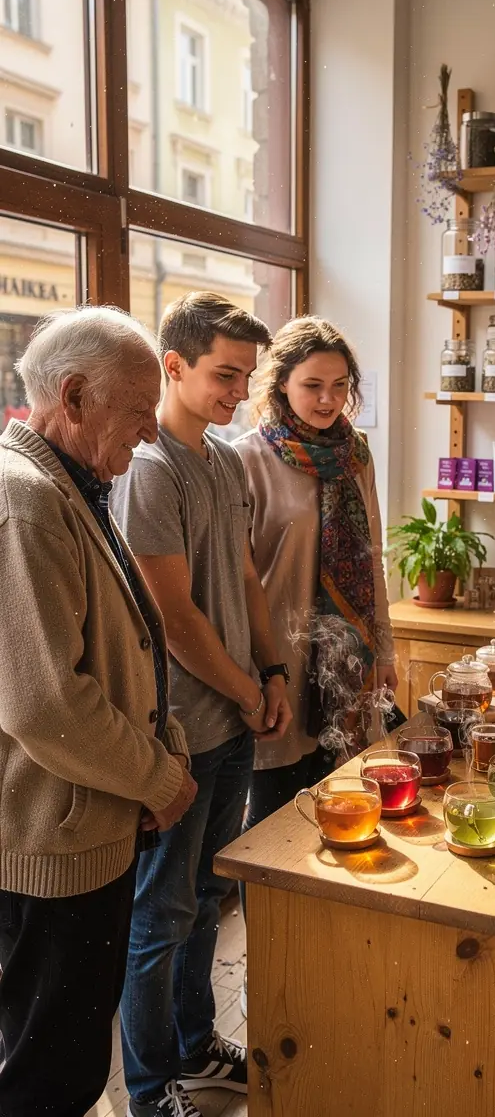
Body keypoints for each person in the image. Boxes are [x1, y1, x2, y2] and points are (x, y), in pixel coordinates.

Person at [0, 308, 197, 1117]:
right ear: (73, 396)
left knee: (73, 1059)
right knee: (47, 1076)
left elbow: (127, 649)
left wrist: (166, 755)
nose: (151, 434)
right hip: (53, 849)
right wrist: (160, 779)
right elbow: (47, 704)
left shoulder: (74, 483)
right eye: (139, 411)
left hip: (90, 831)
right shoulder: (26, 500)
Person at [111, 292, 293, 1117]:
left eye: (246, 377)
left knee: (204, 906)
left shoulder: (222, 461)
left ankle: (192, 1045)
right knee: (158, 919)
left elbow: (247, 580)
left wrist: (275, 670)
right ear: (172, 367)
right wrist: (250, 690)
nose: (237, 392)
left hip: (234, 723)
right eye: (225, 375)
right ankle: (151, 1092)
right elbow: (173, 618)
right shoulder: (150, 468)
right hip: (180, 732)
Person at [234, 315, 396, 867]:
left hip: (346, 665)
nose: (329, 399)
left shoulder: (357, 456)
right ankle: (274, 955)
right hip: (277, 662)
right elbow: (240, 579)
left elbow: (371, 559)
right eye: (312, 385)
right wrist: (258, 672)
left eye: (340, 385)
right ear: (281, 382)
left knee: (345, 818)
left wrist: (385, 651)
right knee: (276, 831)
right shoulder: (244, 459)